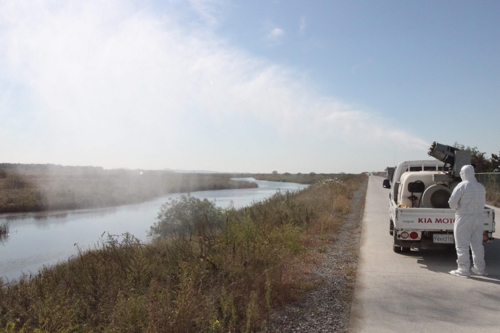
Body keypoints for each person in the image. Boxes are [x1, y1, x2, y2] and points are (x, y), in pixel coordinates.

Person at [448, 165, 488, 278]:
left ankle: (463, 269)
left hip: (464, 218)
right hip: (479, 218)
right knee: (477, 245)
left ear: (463, 173)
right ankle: (480, 269)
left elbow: (452, 202)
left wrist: (457, 207)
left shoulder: (462, 186)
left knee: (462, 245)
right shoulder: (480, 186)